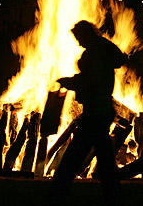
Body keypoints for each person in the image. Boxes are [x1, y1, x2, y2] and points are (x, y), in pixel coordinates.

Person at [49, 20, 127, 206]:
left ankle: (56, 195)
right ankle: (113, 197)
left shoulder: (94, 53)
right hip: (101, 111)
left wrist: (69, 82)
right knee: (105, 160)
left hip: (95, 113)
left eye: (78, 37)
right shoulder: (102, 49)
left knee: (73, 157)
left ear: (85, 34)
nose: (77, 41)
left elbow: (90, 81)